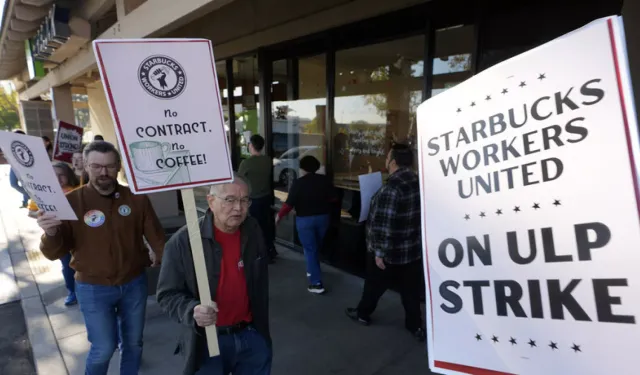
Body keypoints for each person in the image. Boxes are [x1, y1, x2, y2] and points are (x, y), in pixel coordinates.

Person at [36, 141, 166, 375]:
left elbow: (158, 239)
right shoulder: (71, 202)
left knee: (133, 344)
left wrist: (172, 267)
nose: (103, 173)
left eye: (109, 166)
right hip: (92, 287)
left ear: (118, 166)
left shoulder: (136, 199)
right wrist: (51, 232)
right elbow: (53, 252)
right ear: (85, 166)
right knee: (103, 348)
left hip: (133, 283)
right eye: (96, 166)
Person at [157, 175, 271, 375]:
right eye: (230, 200)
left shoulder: (252, 230)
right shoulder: (183, 242)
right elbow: (167, 294)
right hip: (207, 342)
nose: (238, 208)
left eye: (245, 200)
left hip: (251, 335)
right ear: (211, 201)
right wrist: (192, 310)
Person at [345, 143, 425, 342]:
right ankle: (415, 326)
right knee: (411, 292)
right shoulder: (419, 182)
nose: (386, 161)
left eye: (388, 158)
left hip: (390, 252)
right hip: (412, 250)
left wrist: (379, 252)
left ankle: (363, 314)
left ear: (394, 162)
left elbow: (383, 223)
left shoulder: (391, 188)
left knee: (374, 286)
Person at [276, 155, 335, 294]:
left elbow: (288, 204)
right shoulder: (325, 180)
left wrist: (279, 216)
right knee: (315, 247)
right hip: (323, 218)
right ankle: (313, 270)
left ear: (302, 168)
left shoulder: (298, 183)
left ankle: (316, 284)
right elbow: (333, 198)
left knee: (310, 249)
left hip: (305, 220)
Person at [238, 134, 277, 262]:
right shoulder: (267, 160)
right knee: (266, 225)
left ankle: (259, 253)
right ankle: (270, 250)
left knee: (254, 227)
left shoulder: (246, 163)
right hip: (266, 198)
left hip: (253, 199)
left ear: (251, 145)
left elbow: (239, 179)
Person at [51, 162, 81, 305]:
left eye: (61, 175)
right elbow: (34, 211)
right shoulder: (48, 194)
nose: (58, 179)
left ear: (69, 175)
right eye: (54, 175)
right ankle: (72, 292)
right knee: (67, 266)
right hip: (61, 237)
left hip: (81, 236)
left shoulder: (79, 192)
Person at [8, 130, 30, 208]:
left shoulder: (27, 144)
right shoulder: (10, 143)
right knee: (13, 184)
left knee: (25, 184)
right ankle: (29, 195)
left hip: (24, 167)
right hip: (13, 166)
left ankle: (25, 202)